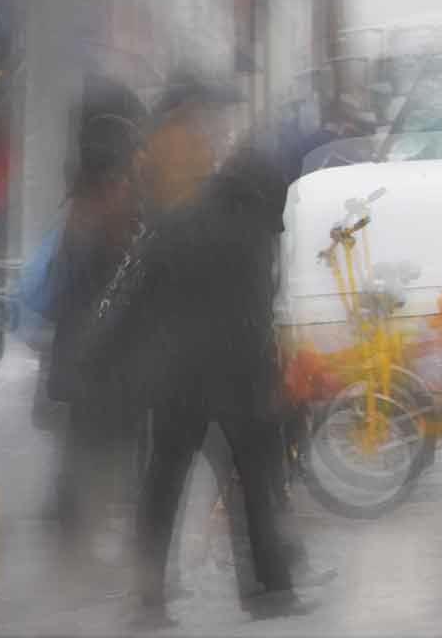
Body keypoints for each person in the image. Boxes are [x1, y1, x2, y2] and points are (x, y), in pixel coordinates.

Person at [85, 149, 307, 627]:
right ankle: (270, 589)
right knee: (256, 483)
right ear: (264, 196)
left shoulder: (176, 220)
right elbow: (254, 319)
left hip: (175, 379)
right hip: (236, 379)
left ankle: (147, 599)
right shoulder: (249, 233)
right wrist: (269, 384)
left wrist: (113, 359)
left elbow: (136, 295)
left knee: (161, 486)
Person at [40, 108, 146, 559]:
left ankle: (72, 524)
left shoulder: (82, 215)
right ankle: (76, 530)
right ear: (108, 179)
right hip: (93, 356)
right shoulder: (94, 221)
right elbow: (93, 289)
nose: (128, 183)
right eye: (123, 175)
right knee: (96, 440)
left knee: (87, 440)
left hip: (86, 354)